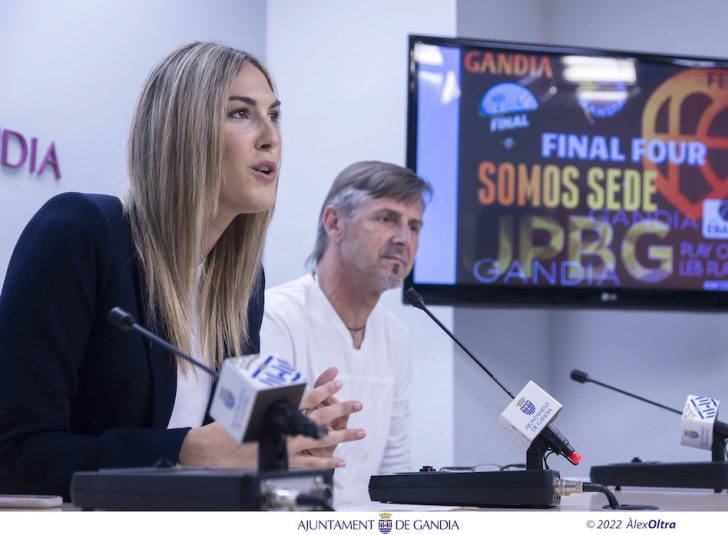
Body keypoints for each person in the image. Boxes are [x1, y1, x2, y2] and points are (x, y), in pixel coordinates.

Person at [0, 42, 363, 499]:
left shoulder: (242, 284)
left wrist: (289, 452)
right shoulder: (79, 232)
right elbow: (15, 457)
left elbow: (222, 465)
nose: (270, 136)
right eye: (240, 113)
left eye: (274, 115)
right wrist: (187, 450)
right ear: (183, 132)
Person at [260, 161, 432, 501]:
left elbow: (395, 468)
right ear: (335, 223)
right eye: (386, 219)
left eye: (414, 226)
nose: (403, 239)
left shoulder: (396, 335)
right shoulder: (274, 318)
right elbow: (259, 464)